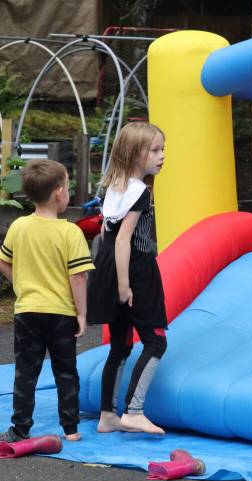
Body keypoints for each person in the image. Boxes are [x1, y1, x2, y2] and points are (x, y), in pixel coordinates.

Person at [0, 159, 93, 443]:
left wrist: (23, 284)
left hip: (28, 311)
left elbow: (4, 262)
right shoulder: (70, 232)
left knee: (26, 372)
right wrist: (81, 313)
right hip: (61, 314)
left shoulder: (19, 226)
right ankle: (71, 428)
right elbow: (78, 278)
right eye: (67, 186)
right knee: (65, 371)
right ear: (58, 193)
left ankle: (19, 428)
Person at [87, 122, 167, 435]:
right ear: (135, 154)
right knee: (156, 342)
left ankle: (107, 414)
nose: (162, 156)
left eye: (163, 149)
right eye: (155, 150)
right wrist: (125, 285)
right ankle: (133, 411)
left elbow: (109, 235)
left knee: (119, 345)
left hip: (109, 266)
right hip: (133, 271)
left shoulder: (115, 187)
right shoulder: (139, 193)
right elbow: (123, 240)